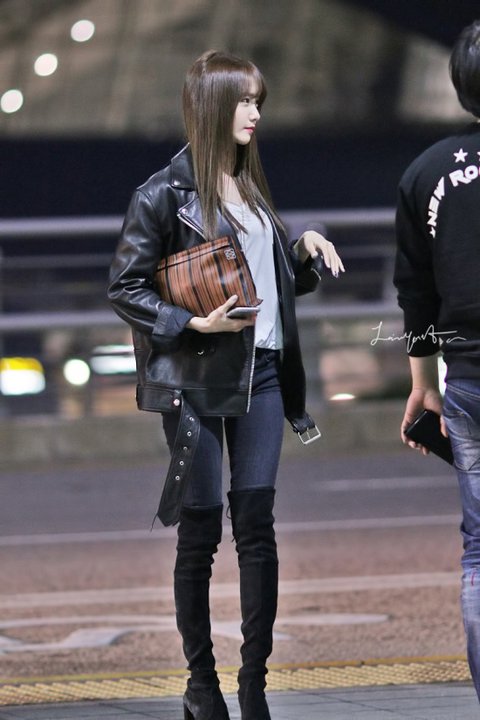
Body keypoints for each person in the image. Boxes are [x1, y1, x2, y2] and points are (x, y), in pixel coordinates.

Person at [108, 50, 344, 720]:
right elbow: (125, 287)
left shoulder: (249, 187)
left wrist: (300, 250)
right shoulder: (161, 195)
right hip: (196, 380)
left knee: (257, 528)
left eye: (257, 101)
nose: (254, 112)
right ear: (210, 105)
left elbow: (262, 287)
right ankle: (201, 685)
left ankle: (254, 686)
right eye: (243, 100)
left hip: (262, 375)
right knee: (201, 534)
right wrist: (190, 322)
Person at [394, 20, 480, 701]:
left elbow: (416, 291)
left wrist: (424, 383)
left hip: (468, 381)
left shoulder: (426, 172)